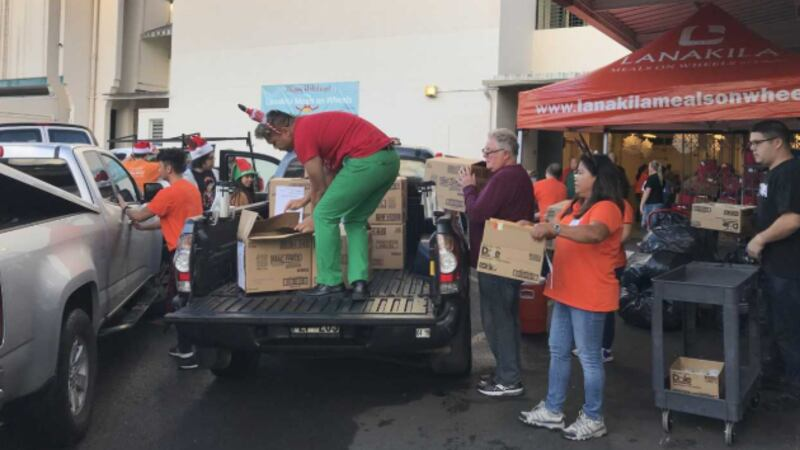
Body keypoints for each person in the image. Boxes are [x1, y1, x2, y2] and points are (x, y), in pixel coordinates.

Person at [518, 154, 623, 441]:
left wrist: (555, 228)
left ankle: (593, 417)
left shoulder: (607, 208)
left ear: (598, 178)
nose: (575, 176)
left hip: (590, 295)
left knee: (589, 358)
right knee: (558, 351)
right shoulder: (575, 207)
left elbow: (593, 234)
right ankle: (553, 409)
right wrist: (532, 228)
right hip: (564, 291)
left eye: (581, 172)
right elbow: (558, 233)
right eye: (575, 172)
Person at [244, 106, 399, 300]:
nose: (277, 148)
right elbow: (326, 179)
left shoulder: (302, 136)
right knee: (355, 219)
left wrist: (314, 218)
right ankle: (359, 283)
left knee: (324, 216)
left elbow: (321, 188)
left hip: (365, 161)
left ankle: (330, 282)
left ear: (284, 131)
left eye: (275, 142)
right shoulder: (314, 127)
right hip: (389, 161)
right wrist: (305, 199)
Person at [457, 128, 535, 397]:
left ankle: (509, 379)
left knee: (497, 320)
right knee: (507, 318)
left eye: (488, 152)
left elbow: (478, 212)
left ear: (505, 154)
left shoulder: (504, 178)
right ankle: (506, 371)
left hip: (497, 259)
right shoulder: (518, 175)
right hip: (506, 258)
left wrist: (468, 187)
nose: (485, 157)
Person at [117, 149, 203, 370]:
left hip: (180, 254)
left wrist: (123, 205)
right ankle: (192, 346)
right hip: (195, 250)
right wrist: (145, 228)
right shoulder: (191, 190)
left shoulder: (168, 194)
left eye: (160, 165)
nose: (158, 169)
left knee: (178, 301)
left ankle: (186, 352)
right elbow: (171, 219)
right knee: (188, 298)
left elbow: (138, 214)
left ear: (169, 168)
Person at [745, 120, 800, 399]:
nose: (751, 148)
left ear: (777, 142)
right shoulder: (771, 173)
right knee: (777, 325)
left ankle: (794, 387)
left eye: (757, 143)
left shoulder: (790, 172)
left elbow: (792, 219)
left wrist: (760, 238)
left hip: (788, 268)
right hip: (774, 265)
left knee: (789, 328)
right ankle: (781, 378)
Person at [183, 135, 218, 210]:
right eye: (211, 158)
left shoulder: (215, 172)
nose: (214, 160)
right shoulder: (187, 178)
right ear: (201, 160)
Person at [639, 160, 664, 229]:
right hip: (659, 203)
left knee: (649, 225)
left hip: (651, 204)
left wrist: (641, 204)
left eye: (649, 166)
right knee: (655, 226)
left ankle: (650, 239)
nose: (648, 168)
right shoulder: (661, 178)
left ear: (652, 168)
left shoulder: (651, 178)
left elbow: (647, 192)